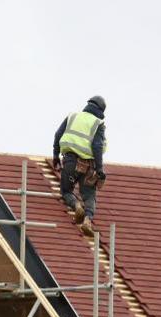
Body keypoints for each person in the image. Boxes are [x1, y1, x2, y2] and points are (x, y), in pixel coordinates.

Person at [52, 95, 108, 237]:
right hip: (89, 165)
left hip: (71, 161)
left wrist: (55, 156)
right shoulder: (98, 123)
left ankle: (76, 205)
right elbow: (97, 146)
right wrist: (100, 169)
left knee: (66, 191)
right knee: (89, 194)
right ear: (101, 110)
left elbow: (58, 135)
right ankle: (88, 220)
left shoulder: (73, 116)